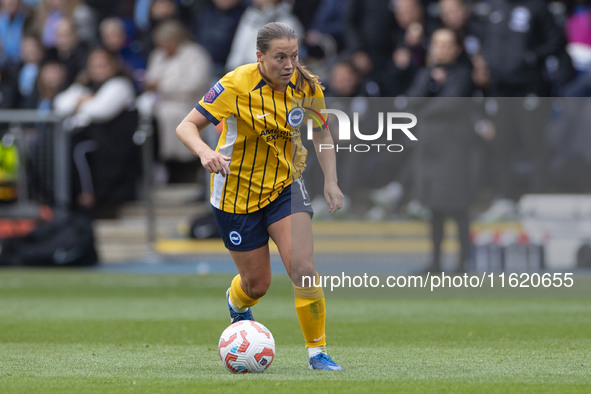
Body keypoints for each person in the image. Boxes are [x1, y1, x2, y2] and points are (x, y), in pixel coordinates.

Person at [176, 22, 344, 371]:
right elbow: (185, 126)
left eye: (294, 56)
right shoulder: (235, 83)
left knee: (303, 268)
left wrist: (331, 180)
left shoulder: (307, 86)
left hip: (284, 187)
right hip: (235, 194)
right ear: (259, 57)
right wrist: (205, 153)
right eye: (280, 57)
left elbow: (321, 132)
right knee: (257, 284)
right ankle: (237, 303)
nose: (289, 64)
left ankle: (318, 353)